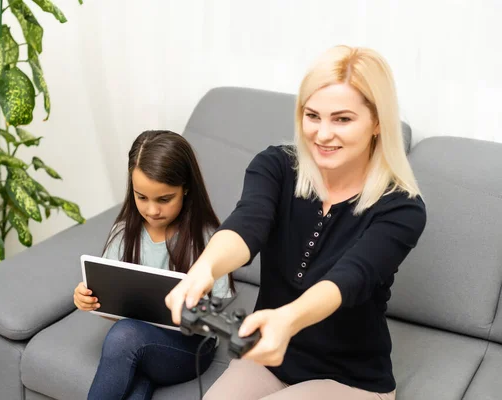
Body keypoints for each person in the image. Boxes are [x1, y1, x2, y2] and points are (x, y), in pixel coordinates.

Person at [165, 45, 427, 400]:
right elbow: (247, 224)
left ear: (377, 122)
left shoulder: (402, 208)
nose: (322, 134)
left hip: (348, 379)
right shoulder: (276, 166)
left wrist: (286, 321)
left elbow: (348, 278)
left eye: (342, 119)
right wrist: (203, 270)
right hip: (267, 358)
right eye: (312, 115)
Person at [74, 130, 234, 400]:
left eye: (164, 199)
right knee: (133, 365)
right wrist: (92, 301)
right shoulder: (125, 232)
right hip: (142, 343)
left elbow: (218, 317)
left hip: (191, 346)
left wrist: (192, 309)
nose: (151, 210)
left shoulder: (207, 238)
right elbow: (115, 309)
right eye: (142, 197)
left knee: (124, 336)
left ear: (185, 187)